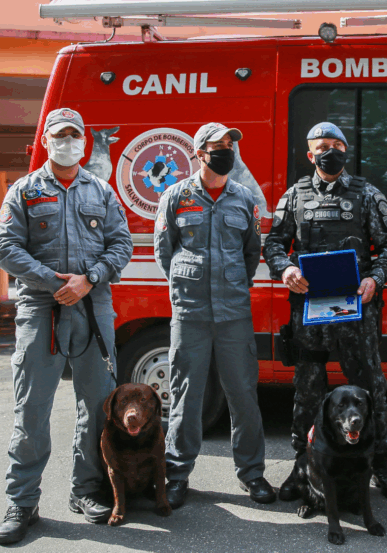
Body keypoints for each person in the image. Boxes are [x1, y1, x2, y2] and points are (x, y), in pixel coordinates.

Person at [0, 107, 133, 545]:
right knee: (32, 408)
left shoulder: (102, 192)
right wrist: (54, 281)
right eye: (61, 134)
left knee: (98, 406)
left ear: (84, 141)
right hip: (42, 308)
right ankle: (23, 501)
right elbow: (4, 248)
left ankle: (87, 489)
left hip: (94, 308)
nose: (69, 140)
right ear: (48, 140)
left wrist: (88, 279)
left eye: (75, 134)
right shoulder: (25, 190)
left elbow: (122, 243)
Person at [263, 122, 387, 502]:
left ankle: (381, 463)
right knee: (308, 390)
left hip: (356, 310)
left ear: (346, 151)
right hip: (310, 311)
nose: (331, 151)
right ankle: (302, 463)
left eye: (337, 145)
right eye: (322, 147)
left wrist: (376, 277)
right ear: (310, 155)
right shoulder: (294, 196)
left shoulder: (368, 195)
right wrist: (287, 269)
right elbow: (274, 243)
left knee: (370, 389)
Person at [154, 123, 275, 509]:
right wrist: (188, 285)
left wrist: (232, 285)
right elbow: (164, 252)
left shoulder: (244, 199)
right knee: (187, 396)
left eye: (229, 145)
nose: (226, 150)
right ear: (199, 153)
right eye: (217, 146)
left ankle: (252, 474)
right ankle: (176, 475)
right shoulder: (175, 196)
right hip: (190, 313)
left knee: (242, 394)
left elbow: (251, 253)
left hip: (233, 313)